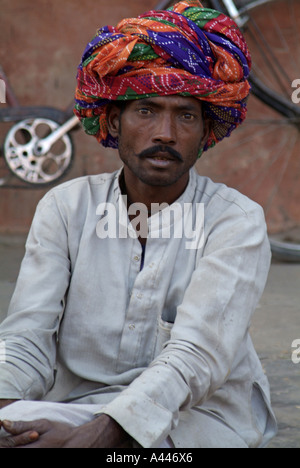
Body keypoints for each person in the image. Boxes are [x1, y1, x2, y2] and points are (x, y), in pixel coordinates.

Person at [0, 0, 277, 448]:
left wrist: (104, 434)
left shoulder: (236, 222)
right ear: (114, 120)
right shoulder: (65, 208)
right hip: (76, 407)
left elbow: (194, 358)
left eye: (185, 115)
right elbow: (26, 337)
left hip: (198, 420)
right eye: (146, 110)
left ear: (205, 132)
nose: (165, 133)